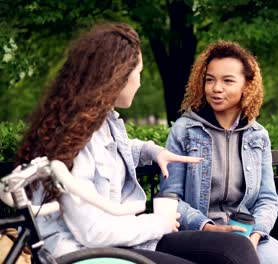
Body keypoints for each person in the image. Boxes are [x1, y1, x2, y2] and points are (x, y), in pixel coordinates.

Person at [15, 23, 260, 264]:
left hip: (124, 241)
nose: (140, 83)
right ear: (117, 75)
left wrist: (153, 151)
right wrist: (157, 223)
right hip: (88, 252)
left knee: (235, 248)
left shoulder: (99, 123)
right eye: (139, 73)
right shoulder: (71, 139)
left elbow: (119, 149)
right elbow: (92, 233)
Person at [160, 40, 278, 264]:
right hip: (200, 235)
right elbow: (170, 199)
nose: (216, 88)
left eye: (228, 81)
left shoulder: (258, 135)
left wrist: (254, 235)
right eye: (210, 80)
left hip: (247, 234)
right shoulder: (184, 130)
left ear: (247, 85)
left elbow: (267, 199)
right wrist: (206, 226)